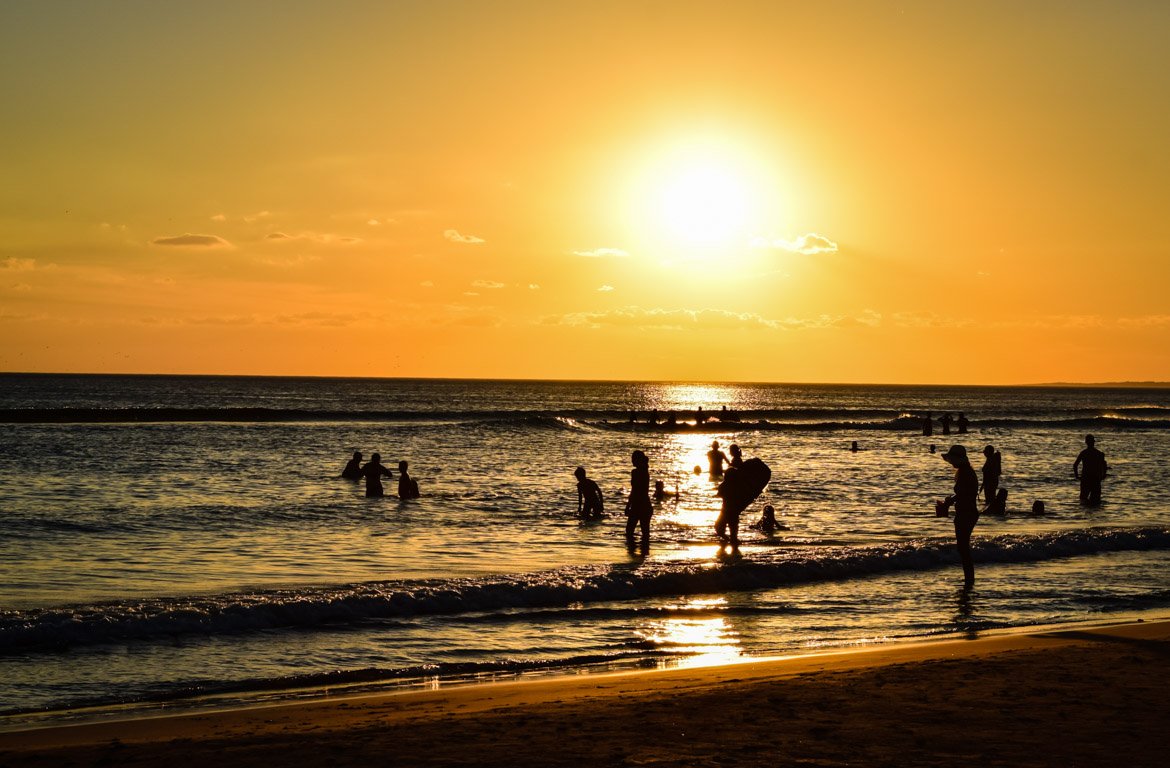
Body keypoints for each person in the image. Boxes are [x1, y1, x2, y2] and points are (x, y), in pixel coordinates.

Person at [937, 444, 980, 588]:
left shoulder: (965, 473)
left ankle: (969, 581)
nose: (951, 462)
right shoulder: (966, 471)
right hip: (968, 512)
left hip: (966, 513)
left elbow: (963, 494)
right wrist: (950, 502)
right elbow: (964, 494)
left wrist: (948, 502)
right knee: (963, 549)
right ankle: (969, 580)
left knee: (963, 549)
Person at [624, 450, 652, 551]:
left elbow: (634, 490)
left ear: (637, 460)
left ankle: (633, 555)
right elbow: (635, 491)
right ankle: (642, 556)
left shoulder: (637, 472)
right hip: (644, 505)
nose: (632, 461)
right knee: (645, 534)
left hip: (639, 505)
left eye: (633, 458)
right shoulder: (644, 472)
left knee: (630, 532)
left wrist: (628, 506)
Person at [1073, 434, 1108, 505]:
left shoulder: (1083, 453)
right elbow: (1104, 465)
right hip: (1096, 478)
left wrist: (1077, 476)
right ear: (1094, 442)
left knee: (1083, 499)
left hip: (1086, 478)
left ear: (1086, 442)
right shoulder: (1099, 454)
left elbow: (1075, 465)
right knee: (1096, 500)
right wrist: (1103, 475)